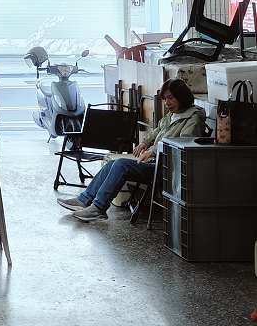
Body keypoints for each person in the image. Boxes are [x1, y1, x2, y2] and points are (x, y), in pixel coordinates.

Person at [59, 78, 207, 222]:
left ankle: (98, 208)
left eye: (170, 98)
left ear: (181, 97)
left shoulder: (193, 117)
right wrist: (144, 143)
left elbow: (182, 145)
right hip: (155, 162)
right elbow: (156, 131)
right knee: (112, 163)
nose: (166, 103)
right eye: (164, 99)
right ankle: (84, 200)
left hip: (168, 168)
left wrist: (154, 150)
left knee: (121, 164)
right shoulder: (172, 114)